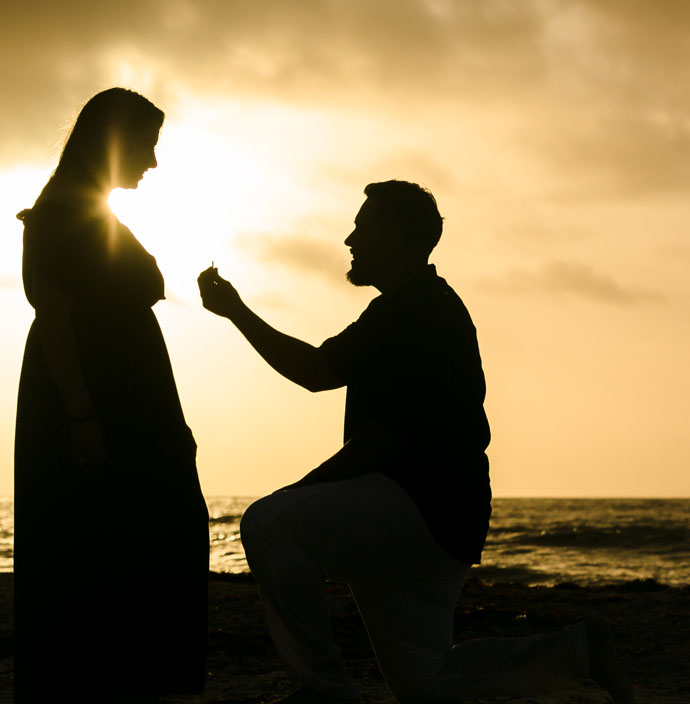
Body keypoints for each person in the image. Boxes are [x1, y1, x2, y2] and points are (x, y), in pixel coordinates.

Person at [197, 180, 633, 704]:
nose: (349, 239)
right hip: (447, 517)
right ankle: (578, 652)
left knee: (269, 523)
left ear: (397, 237)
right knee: (424, 684)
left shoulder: (415, 312)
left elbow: (321, 377)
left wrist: (237, 312)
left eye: (363, 226)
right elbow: (326, 376)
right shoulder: (411, 308)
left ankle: (324, 690)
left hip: (418, 509)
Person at [16, 88, 207, 702]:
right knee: (109, 537)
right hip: (96, 402)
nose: (152, 162)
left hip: (126, 399)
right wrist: (81, 416)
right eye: (146, 145)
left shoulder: (88, 210)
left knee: (149, 530)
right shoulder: (61, 215)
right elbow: (55, 321)